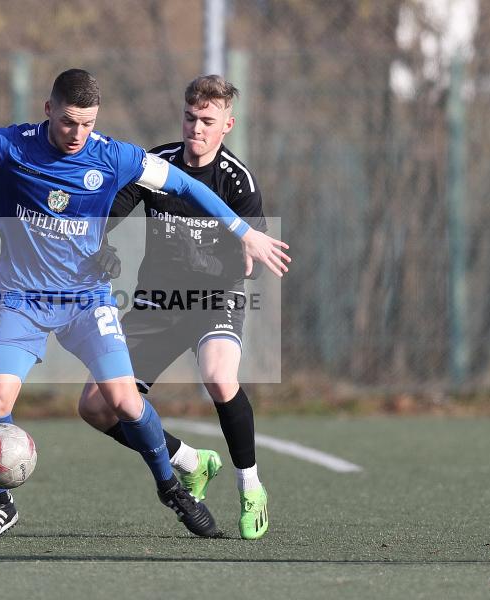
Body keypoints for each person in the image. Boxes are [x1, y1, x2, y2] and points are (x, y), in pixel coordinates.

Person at [0, 69, 287, 540]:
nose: (78, 134)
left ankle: (173, 488)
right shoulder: (9, 146)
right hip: (21, 300)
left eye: (88, 123)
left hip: (87, 302)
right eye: (70, 122)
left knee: (125, 401)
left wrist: (244, 231)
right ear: (49, 110)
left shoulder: (116, 156)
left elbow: (189, 186)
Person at [79, 75, 289, 540]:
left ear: (227, 125)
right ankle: (190, 460)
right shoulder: (159, 165)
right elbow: (111, 211)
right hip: (157, 303)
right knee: (95, 406)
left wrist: (218, 261)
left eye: (208, 121)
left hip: (215, 299)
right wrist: (100, 243)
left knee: (219, 376)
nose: (196, 128)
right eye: (190, 117)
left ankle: (250, 485)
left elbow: (251, 265)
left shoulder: (238, 181)